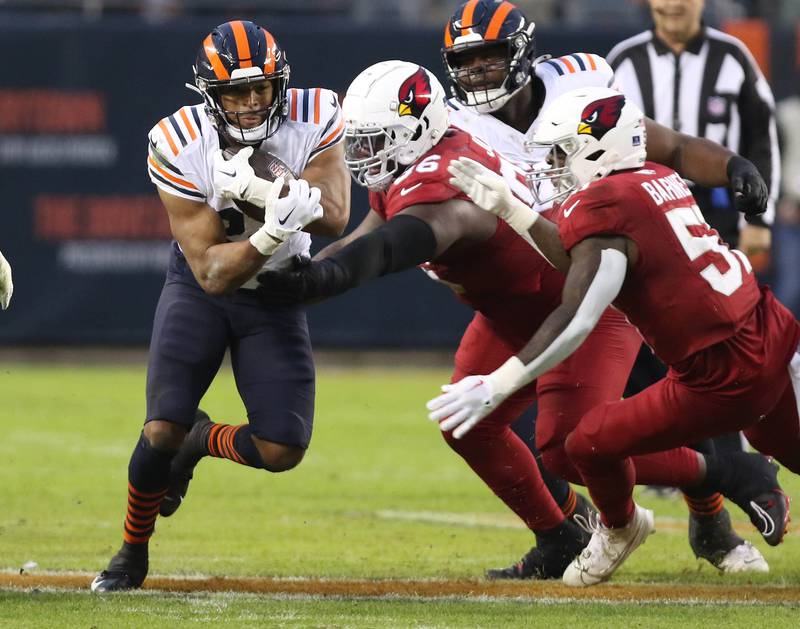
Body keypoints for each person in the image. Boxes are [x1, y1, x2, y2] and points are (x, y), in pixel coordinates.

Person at [256, 60, 784, 582]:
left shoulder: (449, 187)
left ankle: (719, 474)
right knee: (466, 425)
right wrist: (308, 274)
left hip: (578, 303)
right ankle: (560, 533)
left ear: (413, 130)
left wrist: (318, 282)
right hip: (512, 308)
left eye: (373, 141)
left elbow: (388, 247)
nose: (361, 156)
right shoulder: (411, 159)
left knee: (570, 447)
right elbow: (371, 232)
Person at [438, 0, 771, 574]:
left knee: (606, 429)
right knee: (469, 421)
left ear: (521, 54)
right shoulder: (451, 125)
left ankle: (714, 499)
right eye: (466, 63)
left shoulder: (579, 83)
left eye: (490, 58)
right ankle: (562, 534)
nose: (478, 74)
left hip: (606, 269)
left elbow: (664, 145)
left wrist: (733, 163)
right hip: (526, 284)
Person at [90, 20, 350, 592]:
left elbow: (334, 215)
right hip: (204, 290)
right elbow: (209, 271)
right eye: (236, 92)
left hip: (278, 294)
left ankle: (199, 441)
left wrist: (279, 196)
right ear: (211, 96)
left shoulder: (317, 112)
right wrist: (267, 233)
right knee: (160, 427)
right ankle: (132, 551)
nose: (252, 102)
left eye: (261, 88)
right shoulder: (179, 141)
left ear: (280, 82)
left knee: (282, 449)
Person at [607, 0, 780, 459]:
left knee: (721, 324)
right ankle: (678, 443)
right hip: (645, 203)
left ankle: (731, 437)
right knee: (640, 322)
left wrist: (759, 218)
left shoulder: (732, 56)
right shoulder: (624, 60)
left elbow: (762, 133)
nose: (673, 4)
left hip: (714, 205)